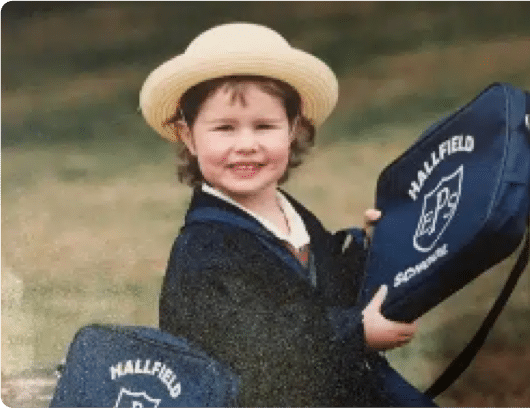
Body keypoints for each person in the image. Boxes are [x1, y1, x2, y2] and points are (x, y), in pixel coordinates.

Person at [139, 22, 437, 406]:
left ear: (293, 129)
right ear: (188, 136)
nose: (246, 145)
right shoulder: (204, 250)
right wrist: (357, 333)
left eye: (264, 126)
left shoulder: (292, 214)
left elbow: (320, 292)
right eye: (224, 128)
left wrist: (372, 251)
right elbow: (260, 345)